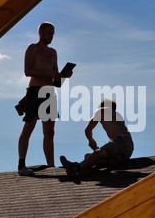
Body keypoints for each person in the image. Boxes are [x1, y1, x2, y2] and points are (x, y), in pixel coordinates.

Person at [17, 22, 71, 176]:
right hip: (35, 91)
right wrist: (51, 74)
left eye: (53, 33)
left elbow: (56, 81)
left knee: (50, 132)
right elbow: (27, 71)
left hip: (49, 92)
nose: (51, 36)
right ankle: (21, 164)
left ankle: (51, 166)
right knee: (29, 126)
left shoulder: (53, 52)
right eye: (49, 33)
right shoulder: (32, 48)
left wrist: (64, 76)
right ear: (41, 33)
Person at [60, 99, 134, 177]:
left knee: (99, 152)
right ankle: (114, 160)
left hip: (120, 141)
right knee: (88, 156)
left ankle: (75, 168)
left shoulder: (101, 110)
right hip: (128, 149)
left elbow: (88, 130)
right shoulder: (118, 116)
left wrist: (90, 140)